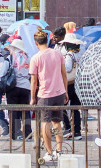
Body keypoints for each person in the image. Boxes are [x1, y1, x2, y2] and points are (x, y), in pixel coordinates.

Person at [29, 28, 68, 160]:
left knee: (45, 123)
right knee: (57, 123)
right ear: (47, 40)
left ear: (36, 43)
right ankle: (59, 149)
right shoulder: (58, 54)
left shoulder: (36, 58)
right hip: (59, 92)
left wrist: (32, 97)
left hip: (45, 94)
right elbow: (64, 74)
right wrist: (66, 91)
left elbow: (34, 81)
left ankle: (50, 152)